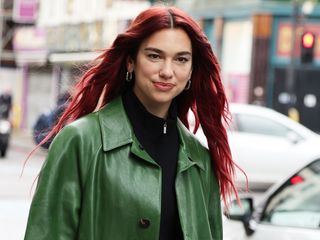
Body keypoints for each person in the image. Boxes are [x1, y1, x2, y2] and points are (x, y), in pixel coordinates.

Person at [24, 5, 241, 240]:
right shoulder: (81, 141)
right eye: (154, 56)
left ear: (191, 70)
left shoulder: (200, 161)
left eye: (181, 59)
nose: (167, 71)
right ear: (131, 61)